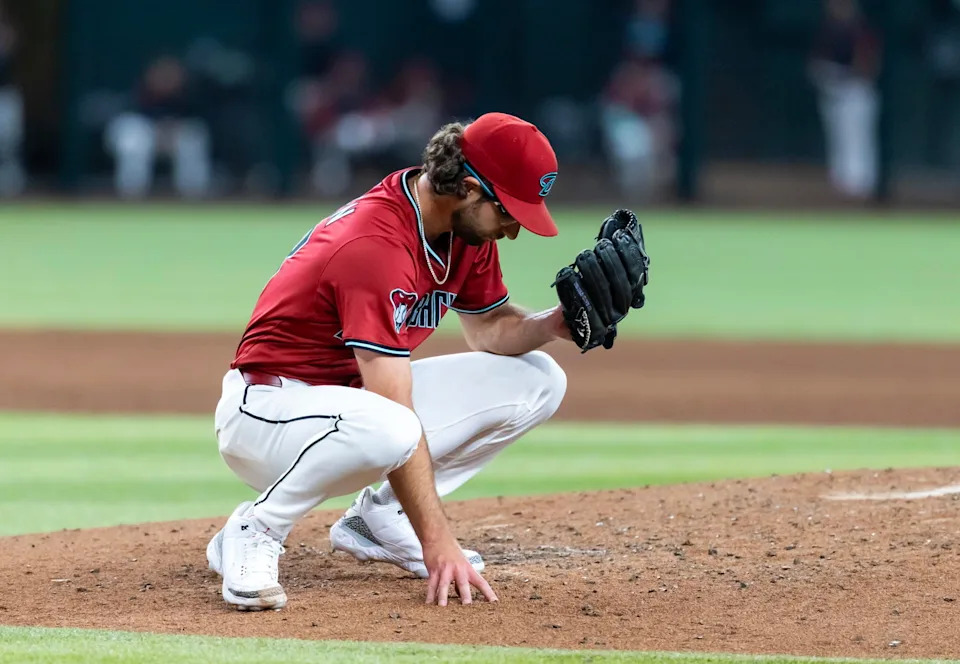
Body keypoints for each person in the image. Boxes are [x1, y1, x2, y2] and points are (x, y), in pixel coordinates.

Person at [208, 112, 573, 610]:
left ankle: (380, 519)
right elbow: (393, 406)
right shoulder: (375, 244)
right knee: (395, 426)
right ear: (468, 188)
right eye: (508, 212)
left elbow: (490, 328)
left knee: (539, 379)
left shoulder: (461, 230)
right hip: (267, 413)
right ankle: (255, 528)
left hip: (350, 405)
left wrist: (555, 323)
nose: (512, 230)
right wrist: (438, 542)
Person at [104, 56, 212, 198]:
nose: (166, 77)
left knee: (192, 136)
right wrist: (159, 130)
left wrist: (169, 130)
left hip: (174, 135)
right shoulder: (138, 92)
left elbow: (194, 118)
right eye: (162, 73)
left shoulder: (188, 94)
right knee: (134, 139)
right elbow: (133, 119)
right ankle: (131, 193)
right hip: (144, 133)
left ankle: (193, 193)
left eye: (171, 73)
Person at [808, 0, 882, 199]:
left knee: (858, 138)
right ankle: (843, 185)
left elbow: (868, 63)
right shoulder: (828, 30)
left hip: (858, 91)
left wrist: (849, 76)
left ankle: (862, 186)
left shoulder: (860, 30)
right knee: (838, 137)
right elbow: (817, 60)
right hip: (834, 90)